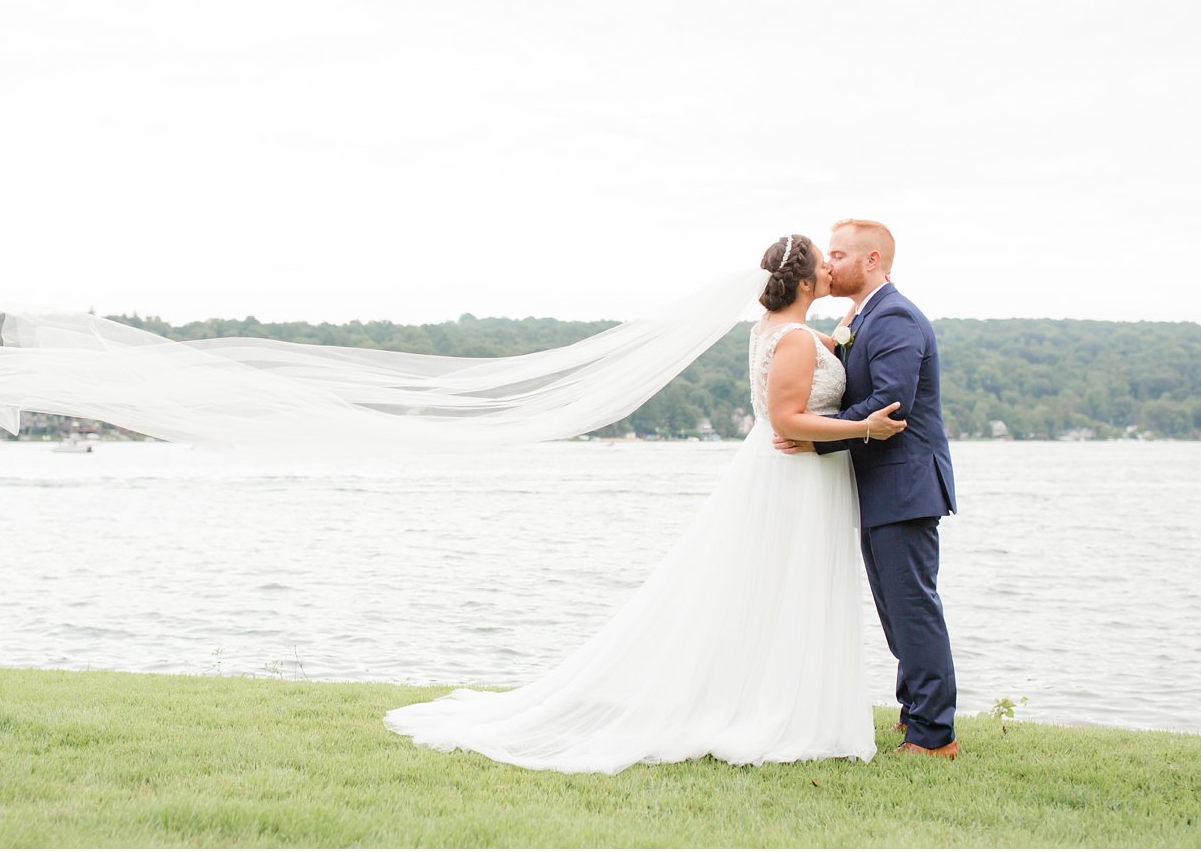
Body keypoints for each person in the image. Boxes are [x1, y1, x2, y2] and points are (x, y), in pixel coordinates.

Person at [382, 234, 905, 774]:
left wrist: (845, 333)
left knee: (776, 589)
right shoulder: (793, 339)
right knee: (789, 587)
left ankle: (772, 698)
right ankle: (777, 709)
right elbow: (784, 420)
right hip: (795, 473)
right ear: (802, 282)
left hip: (793, 473)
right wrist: (863, 426)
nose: (829, 271)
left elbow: (820, 360)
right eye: (823, 265)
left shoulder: (777, 331)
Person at [774, 219, 959, 760]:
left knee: (912, 608)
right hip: (880, 485)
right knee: (896, 609)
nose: (828, 264)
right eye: (826, 255)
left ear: (872, 259)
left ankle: (933, 736)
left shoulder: (895, 315)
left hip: (904, 484)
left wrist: (821, 441)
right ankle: (916, 717)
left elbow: (890, 403)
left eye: (838, 254)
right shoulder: (862, 315)